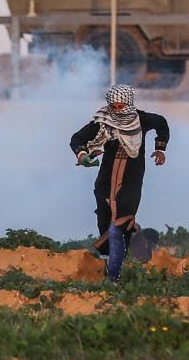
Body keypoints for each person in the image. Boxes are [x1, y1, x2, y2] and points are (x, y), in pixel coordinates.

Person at [69, 84, 169, 282]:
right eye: (113, 107)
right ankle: (110, 259)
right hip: (106, 182)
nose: (117, 111)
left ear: (129, 104)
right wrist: (82, 155)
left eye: (121, 106)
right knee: (105, 221)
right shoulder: (103, 122)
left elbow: (162, 124)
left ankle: (113, 277)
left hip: (131, 182)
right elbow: (77, 138)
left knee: (118, 227)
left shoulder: (142, 119)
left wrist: (160, 148)